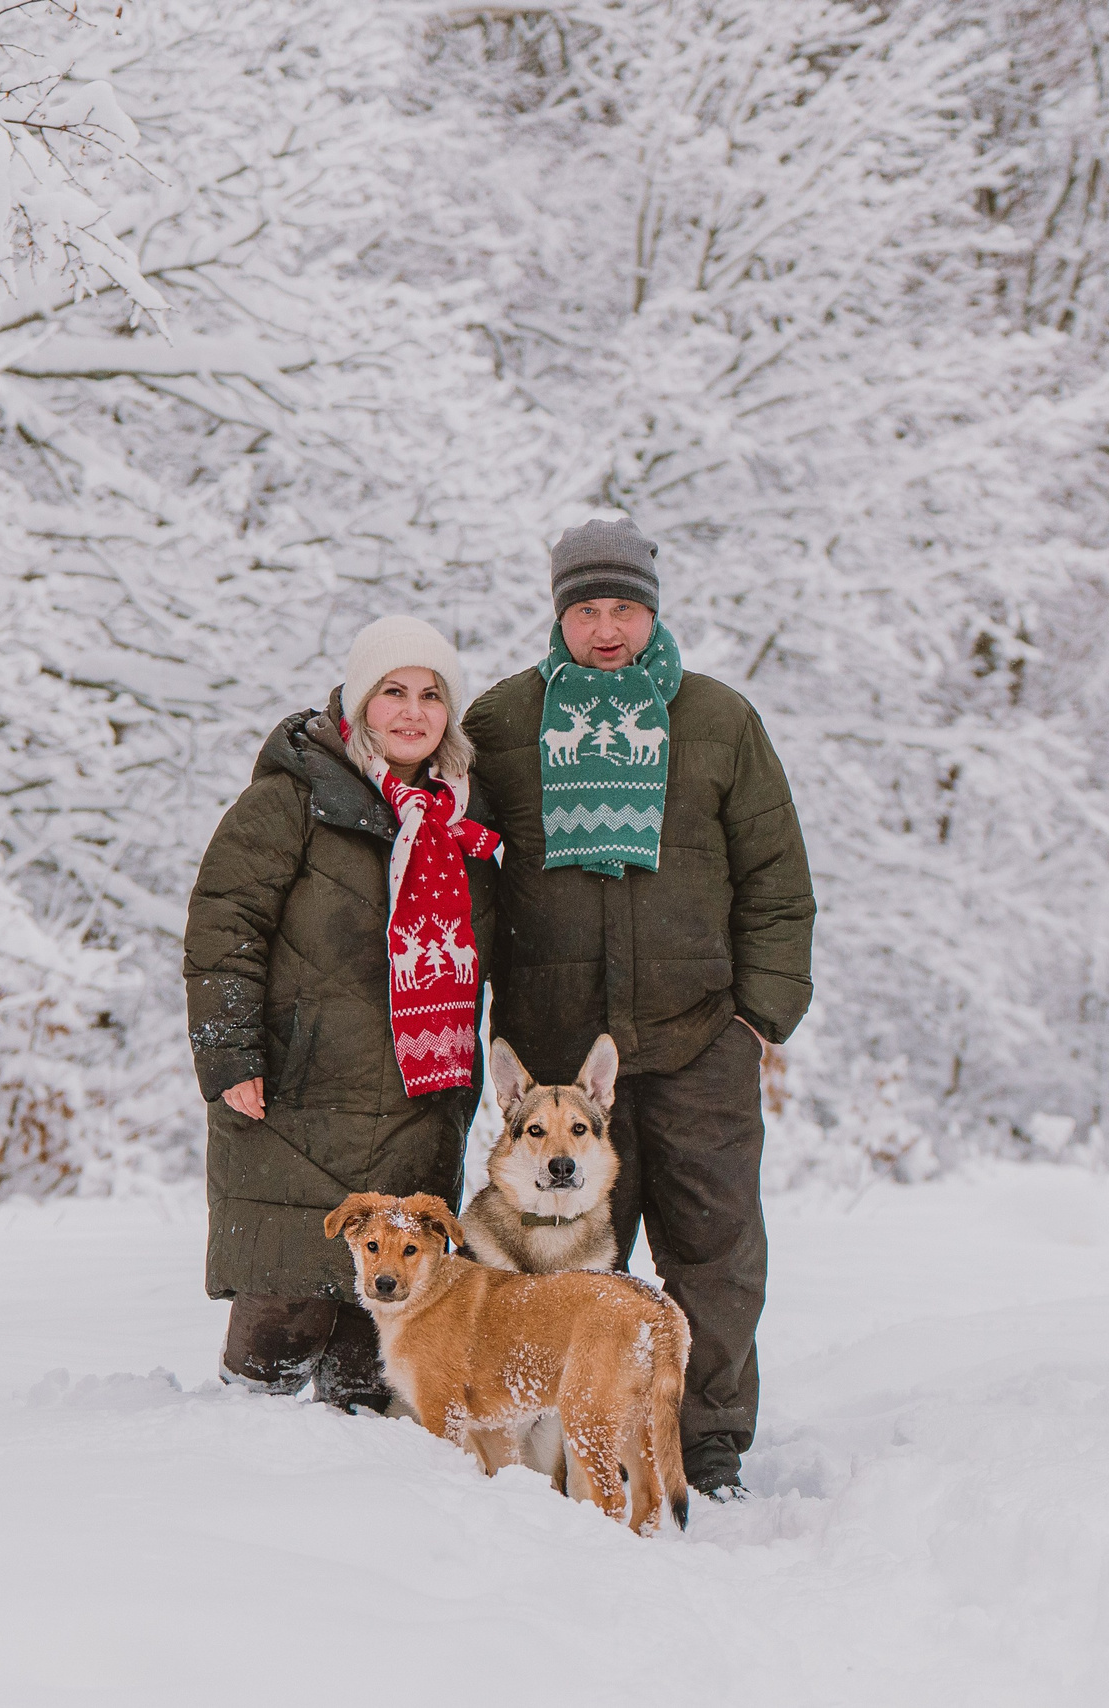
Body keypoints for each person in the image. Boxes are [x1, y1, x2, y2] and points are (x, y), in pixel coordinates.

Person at [464, 517, 815, 1497]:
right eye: (586, 610)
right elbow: (466, 885)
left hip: (700, 1040)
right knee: (572, 1269)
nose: (606, 629)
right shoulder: (502, 724)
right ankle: (584, 1445)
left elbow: (776, 879)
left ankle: (704, 1447)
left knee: (715, 1258)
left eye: (623, 608)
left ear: (652, 613)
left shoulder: (716, 723)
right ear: (558, 617)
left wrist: (759, 1018)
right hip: (559, 1067)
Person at [185, 615, 500, 1409]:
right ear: (359, 705)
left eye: (432, 695)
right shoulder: (289, 801)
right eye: (392, 691)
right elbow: (225, 927)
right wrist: (231, 1054)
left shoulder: (463, 824)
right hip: (295, 1096)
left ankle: (361, 1512)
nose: (412, 711)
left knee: (378, 1345)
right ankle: (225, 1481)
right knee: (282, 1304)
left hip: (416, 1102)